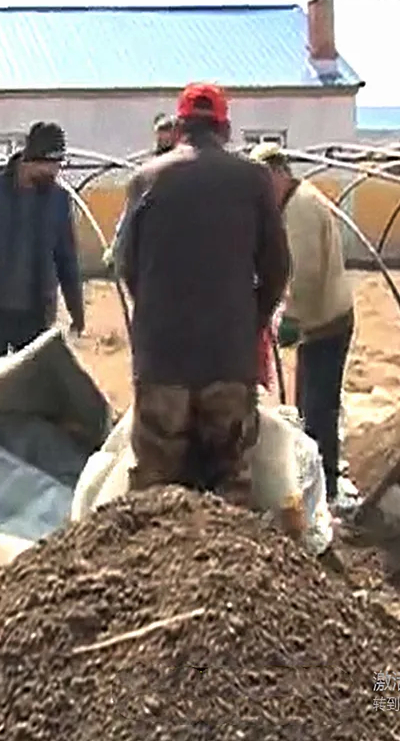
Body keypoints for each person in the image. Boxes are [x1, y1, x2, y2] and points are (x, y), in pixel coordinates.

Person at [117, 83, 293, 519]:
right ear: (226, 128)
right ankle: (230, 581)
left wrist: (157, 316)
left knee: (153, 490)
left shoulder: (145, 180)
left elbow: (126, 265)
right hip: (227, 358)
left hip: (162, 360)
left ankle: (150, 579)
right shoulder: (252, 180)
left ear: (178, 128)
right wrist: (252, 319)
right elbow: (277, 267)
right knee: (230, 481)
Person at [250, 142, 355, 507]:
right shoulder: (291, 204)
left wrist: (290, 317)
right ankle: (317, 479)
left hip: (327, 321)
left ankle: (326, 490)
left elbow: (306, 273)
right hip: (318, 321)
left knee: (319, 407)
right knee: (308, 404)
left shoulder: (302, 209)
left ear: (279, 175)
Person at [0, 121, 84, 365]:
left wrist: (76, 309)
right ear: (32, 160)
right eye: (50, 167)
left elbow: (66, 257)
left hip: (35, 315)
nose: (55, 173)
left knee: (33, 392)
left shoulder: (58, 199)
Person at [104, 113, 181, 268]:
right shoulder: (148, 173)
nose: (161, 141)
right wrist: (116, 247)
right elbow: (129, 213)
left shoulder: (182, 165)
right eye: (159, 137)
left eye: (165, 137)